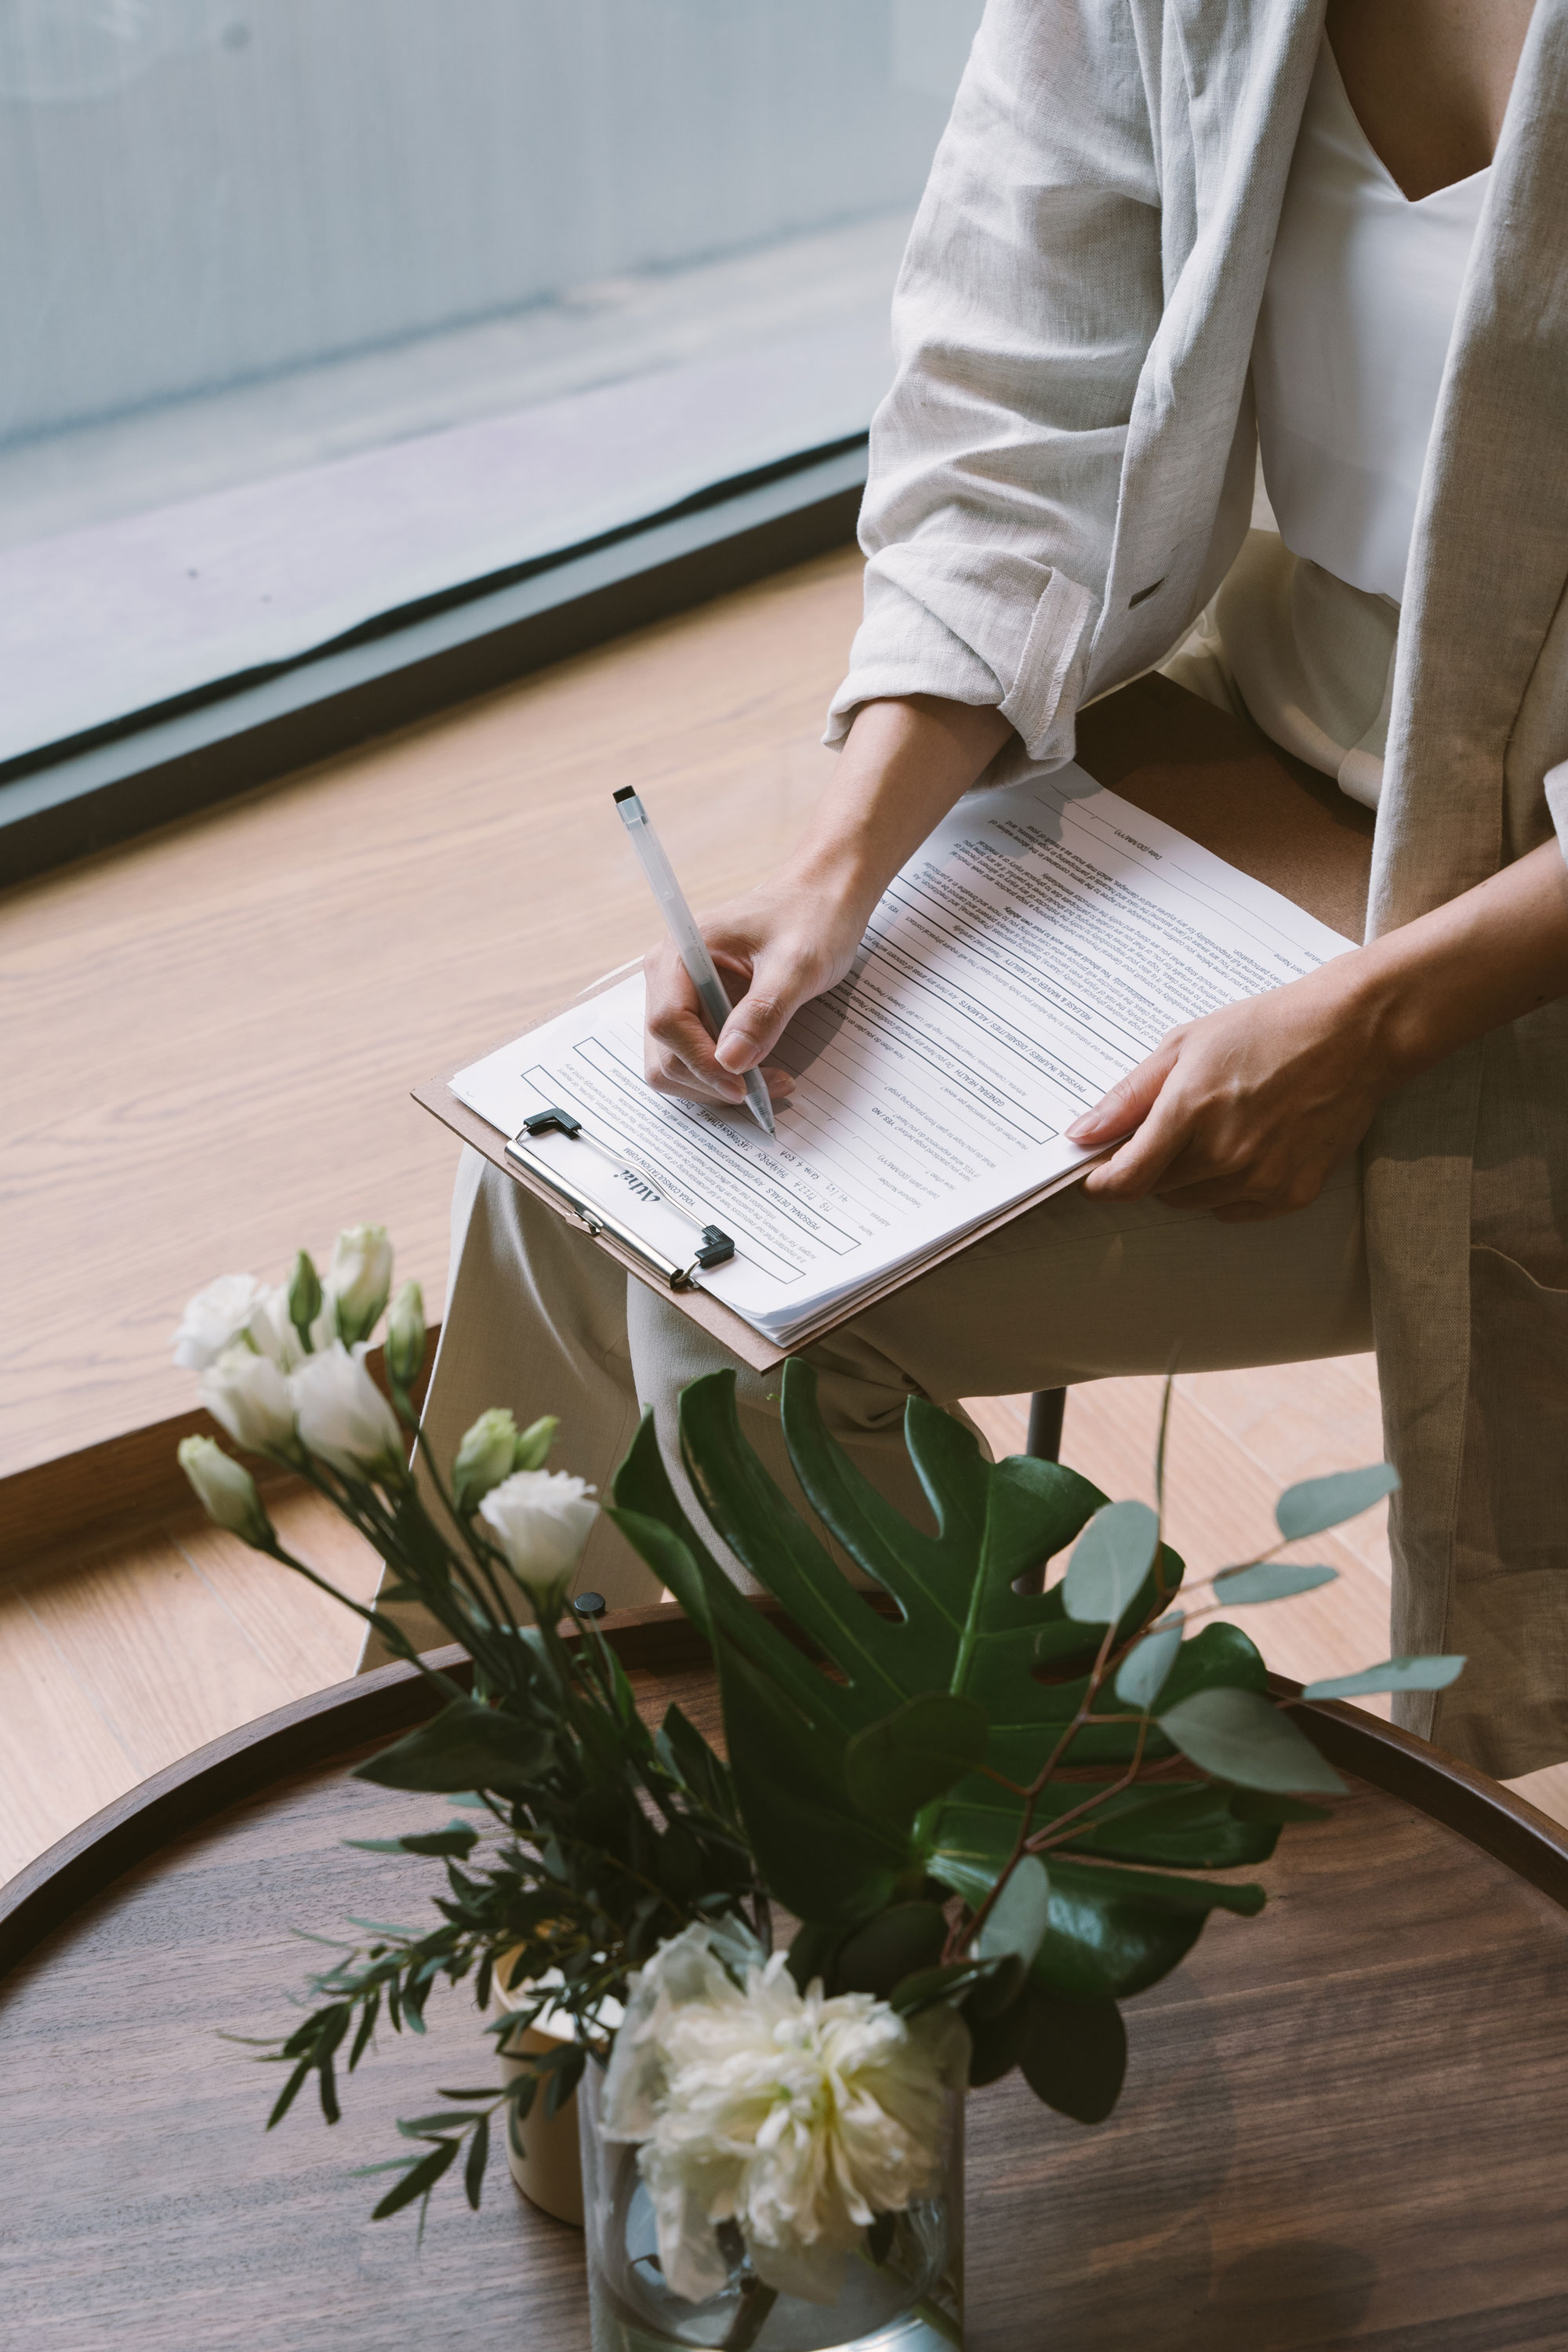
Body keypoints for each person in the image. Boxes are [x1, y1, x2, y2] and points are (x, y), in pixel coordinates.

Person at [369, 0, 1568, 1784]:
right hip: (1288, 759)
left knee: (762, 1353)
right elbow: (1015, 407)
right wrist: (840, 869)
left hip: (1514, 937)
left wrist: (1369, 1021)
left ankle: (1024, 1890)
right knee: (584, 1188)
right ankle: (588, 1851)